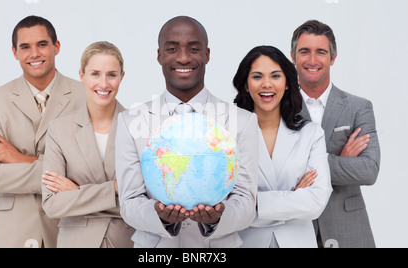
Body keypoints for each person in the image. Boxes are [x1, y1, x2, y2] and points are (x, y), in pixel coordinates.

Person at [115, 16, 259, 248]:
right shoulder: (130, 121)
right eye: (172, 49)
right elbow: (129, 202)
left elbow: (245, 202)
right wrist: (159, 215)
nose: (183, 57)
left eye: (193, 49)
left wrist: (219, 217)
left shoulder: (242, 122)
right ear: (160, 56)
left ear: (207, 55)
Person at [0, 15, 86, 248]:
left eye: (42, 44)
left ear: (56, 47)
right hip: (13, 230)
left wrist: (19, 159)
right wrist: (60, 172)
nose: (34, 54)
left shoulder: (85, 96)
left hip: (69, 226)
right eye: (25, 47)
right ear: (15, 52)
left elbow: (93, 169)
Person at [291, 20, 381, 248]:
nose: (312, 60)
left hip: (349, 229)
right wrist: (341, 159)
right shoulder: (279, 108)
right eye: (304, 52)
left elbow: (369, 170)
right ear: (293, 57)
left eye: (320, 52)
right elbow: (274, 172)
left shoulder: (358, 107)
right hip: (295, 229)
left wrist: (305, 163)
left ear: (332, 58)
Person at [233, 45, 332, 248]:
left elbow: (316, 202)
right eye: (257, 77)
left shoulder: (311, 134)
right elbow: (226, 207)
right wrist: (294, 196)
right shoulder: (227, 137)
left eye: (275, 76)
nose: (267, 84)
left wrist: (255, 201)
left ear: (287, 83)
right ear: (245, 84)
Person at [41, 41, 135, 248]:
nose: (104, 83)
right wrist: (115, 189)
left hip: (125, 242)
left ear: (122, 77)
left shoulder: (139, 128)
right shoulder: (59, 129)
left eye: (112, 74)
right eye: (95, 74)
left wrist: (77, 192)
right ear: (82, 75)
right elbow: (52, 205)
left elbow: (143, 205)